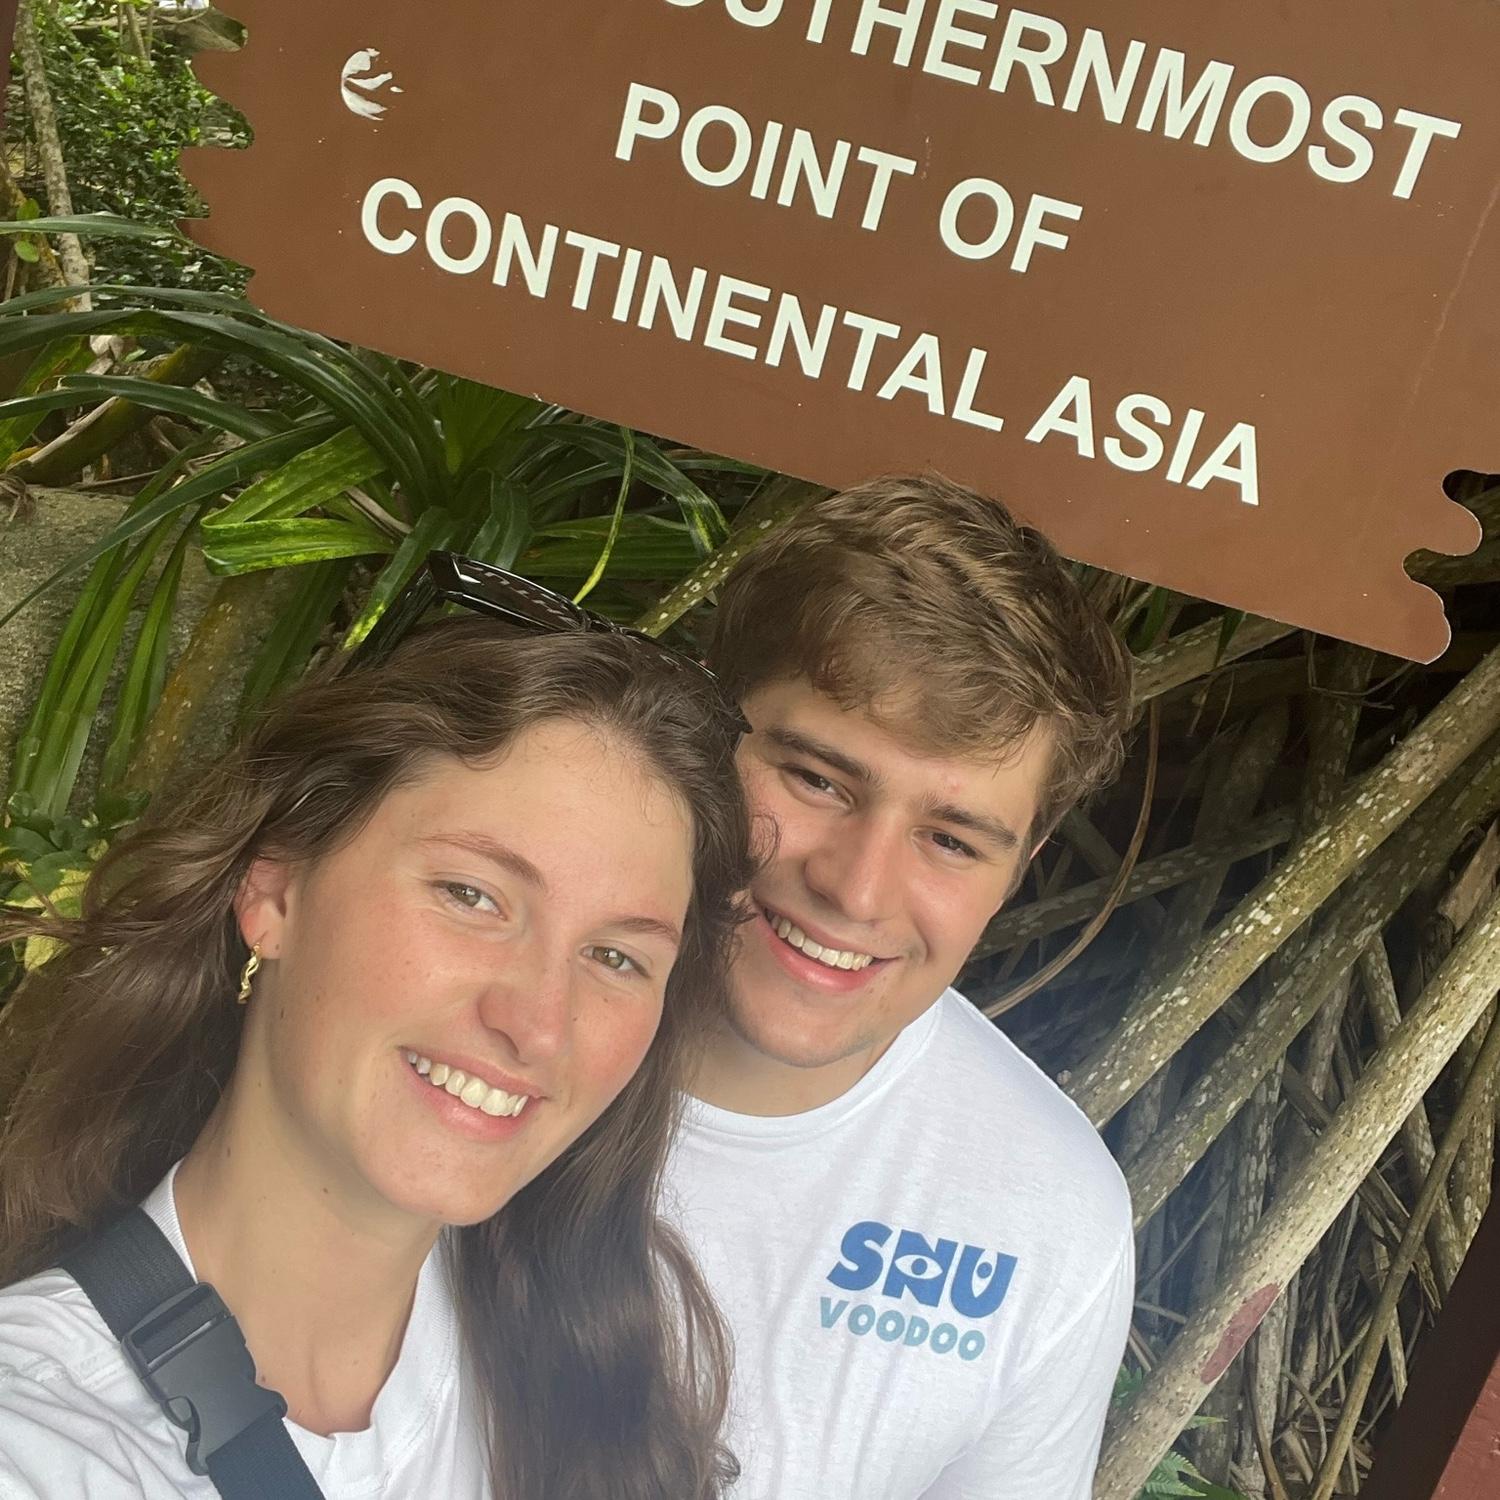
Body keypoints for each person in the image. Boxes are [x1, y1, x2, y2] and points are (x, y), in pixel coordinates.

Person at [0, 565, 756, 1500]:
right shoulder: (39, 1441)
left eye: (615, 958)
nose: (536, 1024)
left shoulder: (599, 1384)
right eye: (472, 896)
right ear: (274, 890)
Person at [661, 474, 1137, 1498]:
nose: (856, 887)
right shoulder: (479, 1025)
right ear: (700, 723)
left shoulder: (1048, 1217)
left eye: (952, 839)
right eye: (818, 780)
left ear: (1024, 865)